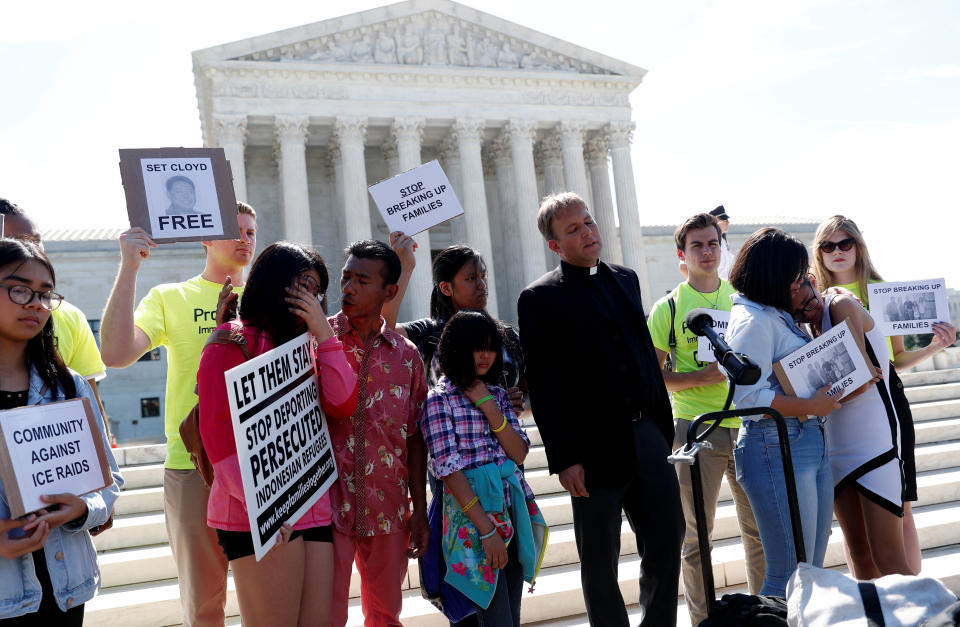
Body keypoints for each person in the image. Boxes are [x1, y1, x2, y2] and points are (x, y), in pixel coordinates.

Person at [518, 192, 682, 627]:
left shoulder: (626, 278)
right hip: (590, 451)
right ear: (555, 245)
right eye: (573, 229)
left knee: (668, 538)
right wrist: (564, 458)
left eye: (588, 222)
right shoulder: (539, 298)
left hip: (647, 435)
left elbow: (644, 356)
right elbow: (546, 385)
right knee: (599, 559)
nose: (588, 232)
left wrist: (661, 430)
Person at [100, 203, 257, 627]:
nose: (245, 238)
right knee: (204, 606)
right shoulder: (172, 296)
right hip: (193, 466)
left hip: (261, 462)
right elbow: (114, 354)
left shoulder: (267, 301)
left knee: (267, 602)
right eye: (234, 230)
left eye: (251, 231)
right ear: (206, 236)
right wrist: (129, 267)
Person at [197, 242, 358, 626]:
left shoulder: (311, 345)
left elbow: (343, 402)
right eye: (302, 284)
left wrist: (323, 332)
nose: (311, 297)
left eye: (317, 290)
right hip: (259, 514)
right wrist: (266, 505)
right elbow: (217, 436)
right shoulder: (229, 341)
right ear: (274, 282)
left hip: (311, 506)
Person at [811, 214, 956, 573]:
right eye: (828, 245)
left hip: (885, 400)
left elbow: (897, 359)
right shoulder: (812, 299)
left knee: (901, 505)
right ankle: (870, 598)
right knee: (852, 521)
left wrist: (936, 346)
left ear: (859, 246)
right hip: (837, 412)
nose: (838, 251)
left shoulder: (881, 290)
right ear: (819, 253)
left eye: (845, 243)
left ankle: (917, 598)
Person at [647, 212, 763, 626]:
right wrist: (701, 376)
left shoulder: (742, 299)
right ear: (682, 253)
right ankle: (702, 621)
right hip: (697, 428)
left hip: (750, 423)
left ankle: (767, 614)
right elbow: (653, 378)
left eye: (713, 243)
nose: (707, 251)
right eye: (697, 245)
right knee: (696, 538)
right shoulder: (669, 307)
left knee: (759, 531)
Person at [0, 238, 122, 624]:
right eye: (19, 289)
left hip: (66, 588)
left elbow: (108, 482)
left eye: (45, 294)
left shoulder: (70, 386)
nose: (35, 303)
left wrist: (83, 508)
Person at [724, 227, 840, 597]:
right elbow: (748, 400)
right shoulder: (753, 321)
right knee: (788, 573)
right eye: (796, 275)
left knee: (810, 572)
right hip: (774, 445)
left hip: (804, 441)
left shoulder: (773, 315)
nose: (801, 282)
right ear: (775, 274)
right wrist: (811, 406)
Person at [420, 310, 547, 625]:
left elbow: (518, 453)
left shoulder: (498, 395)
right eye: (477, 347)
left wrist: (488, 405)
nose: (486, 355)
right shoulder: (438, 401)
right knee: (496, 620)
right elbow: (449, 472)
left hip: (511, 512)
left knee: (510, 618)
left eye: (491, 347)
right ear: (456, 348)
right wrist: (487, 530)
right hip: (471, 525)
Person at [326, 240, 429, 627]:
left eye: (361, 280)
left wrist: (418, 508)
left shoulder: (407, 355)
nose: (348, 288)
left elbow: (415, 436)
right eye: (346, 277)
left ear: (390, 291)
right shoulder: (319, 342)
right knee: (327, 614)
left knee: (386, 615)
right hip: (329, 509)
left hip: (388, 509)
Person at [793, 274, 913, 577]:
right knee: (860, 558)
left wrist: (819, 396)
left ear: (811, 279)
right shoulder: (801, 324)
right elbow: (855, 380)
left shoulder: (841, 302)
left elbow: (861, 381)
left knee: (889, 562)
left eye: (806, 296)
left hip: (874, 441)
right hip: (834, 447)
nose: (805, 308)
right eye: (795, 307)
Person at [384, 236, 526, 414]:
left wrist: (517, 404)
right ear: (446, 288)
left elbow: (532, 393)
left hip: (504, 440)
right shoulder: (430, 333)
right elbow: (383, 330)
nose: (482, 285)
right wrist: (404, 267)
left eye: (484, 276)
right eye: (471, 278)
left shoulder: (508, 335)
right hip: (450, 440)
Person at [0, 200, 108, 422]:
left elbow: (93, 436)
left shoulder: (71, 384)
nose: (36, 304)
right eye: (14, 243)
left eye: (36, 242)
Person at [709, 205, 734, 280]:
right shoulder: (706, 241)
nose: (728, 222)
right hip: (713, 288)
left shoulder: (724, 242)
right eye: (725, 219)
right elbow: (683, 267)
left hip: (726, 287)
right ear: (716, 221)